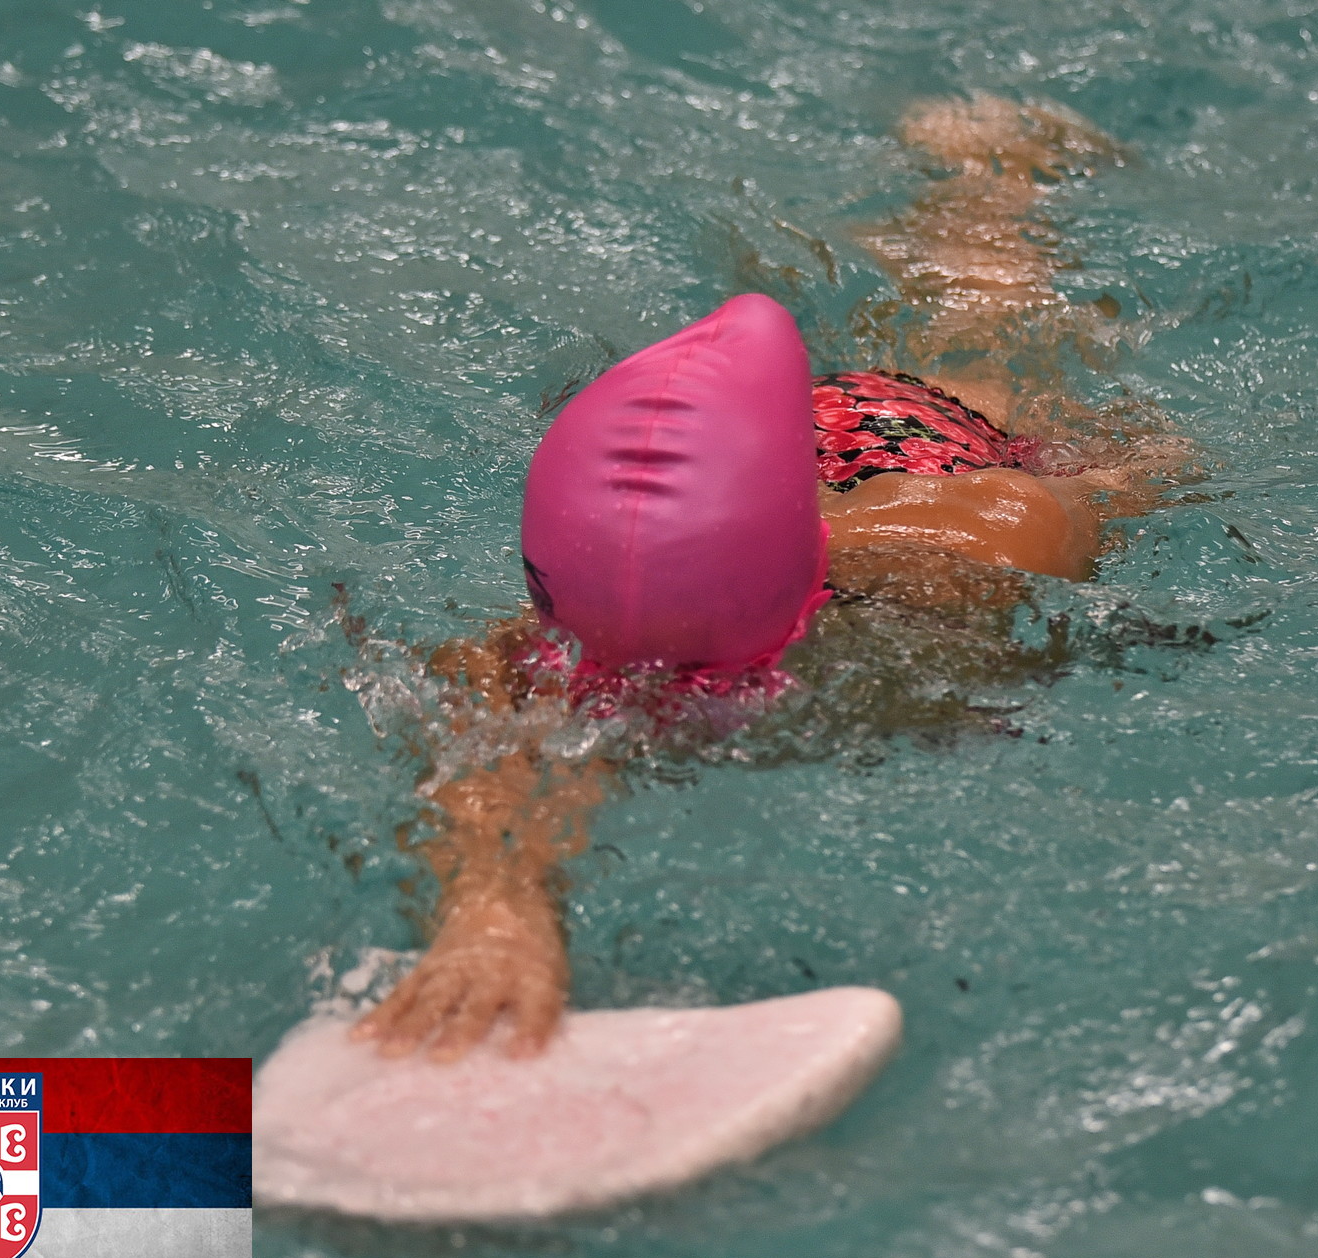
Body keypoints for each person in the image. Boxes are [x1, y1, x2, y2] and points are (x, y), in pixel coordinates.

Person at [348, 95, 1192, 1061]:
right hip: (731, 474)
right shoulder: (564, 627)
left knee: (983, 335)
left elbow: (1132, 473)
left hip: (912, 444)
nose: (651, 684)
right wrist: (494, 912)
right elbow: (483, 771)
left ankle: (992, 174)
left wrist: (1114, 472)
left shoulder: (987, 537)